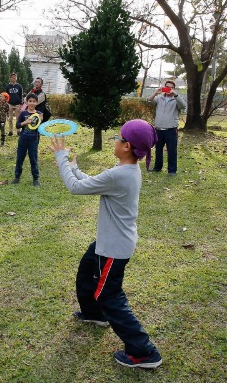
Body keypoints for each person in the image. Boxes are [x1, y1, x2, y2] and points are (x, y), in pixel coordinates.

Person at [48, 119, 162, 369]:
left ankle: (144, 351)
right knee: (88, 267)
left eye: (119, 138)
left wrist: (60, 158)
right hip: (112, 240)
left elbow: (76, 188)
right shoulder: (126, 170)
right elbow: (95, 182)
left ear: (127, 147)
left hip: (114, 246)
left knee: (109, 295)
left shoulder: (120, 174)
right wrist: (74, 166)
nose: (115, 140)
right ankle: (94, 314)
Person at [148, 80, 187, 175]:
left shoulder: (176, 99)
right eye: (167, 87)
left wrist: (176, 95)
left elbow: (183, 105)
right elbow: (149, 101)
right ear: (164, 87)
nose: (169, 89)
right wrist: (155, 93)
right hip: (159, 129)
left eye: (171, 88)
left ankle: (172, 170)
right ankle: (157, 167)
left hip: (171, 129)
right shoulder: (159, 98)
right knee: (158, 150)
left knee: (172, 151)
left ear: (174, 89)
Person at [11, 93, 42, 186]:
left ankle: (36, 179)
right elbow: (17, 125)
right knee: (20, 159)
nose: (32, 103)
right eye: (30, 101)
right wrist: (26, 122)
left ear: (37, 103)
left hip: (33, 140)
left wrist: (41, 120)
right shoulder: (23, 113)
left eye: (34, 101)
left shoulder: (39, 114)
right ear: (27, 102)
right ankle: (17, 177)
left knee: (34, 159)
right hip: (23, 140)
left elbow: (41, 128)